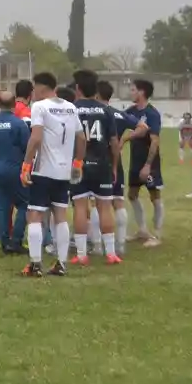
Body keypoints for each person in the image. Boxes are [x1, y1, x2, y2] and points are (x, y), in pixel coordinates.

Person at [21, 72, 84, 277]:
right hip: (64, 171)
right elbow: (82, 138)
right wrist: (77, 163)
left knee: (35, 215)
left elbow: (36, 137)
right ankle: (61, 263)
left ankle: (35, 264)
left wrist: (26, 165)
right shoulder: (70, 107)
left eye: (34, 88)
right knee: (60, 216)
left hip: (43, 170)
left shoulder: (39, 106)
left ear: (41, 87)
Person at [71, 70, 121, 265]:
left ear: (78, 88)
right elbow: (114, 143)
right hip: (102, 165)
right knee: (105, 207)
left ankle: (82, 254)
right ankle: (110, 253)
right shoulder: (106, 110)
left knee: (80, 207)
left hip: (78, 165)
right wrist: (114, 166)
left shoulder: (72, 109)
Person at [121, 79, 164, 247]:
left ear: (142, 92)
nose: (130, 93)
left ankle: (158, 234)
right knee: (132, 194)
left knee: (155, 196)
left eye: (133, 90)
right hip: (135, 161)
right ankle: (142, 230)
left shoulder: (152, 114)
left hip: (149, 163)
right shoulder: (130, 111)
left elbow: (154, 141)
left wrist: (148, 165)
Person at [0, 95, 29, 254]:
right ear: (13, 105)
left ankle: (5, 243)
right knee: (25, 204)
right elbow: (27, 148)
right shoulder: (19, 124)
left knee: (2, 207)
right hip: (15, 170)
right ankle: (16, 240)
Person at [97, 80, 131, 258]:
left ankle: (96, 244)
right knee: (118, 202)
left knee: (97, 204)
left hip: (96, 162)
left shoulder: (95, 113)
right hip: (116, 163)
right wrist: (125, 139)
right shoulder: (119, 114)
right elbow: (143, 127)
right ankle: (121, 243)